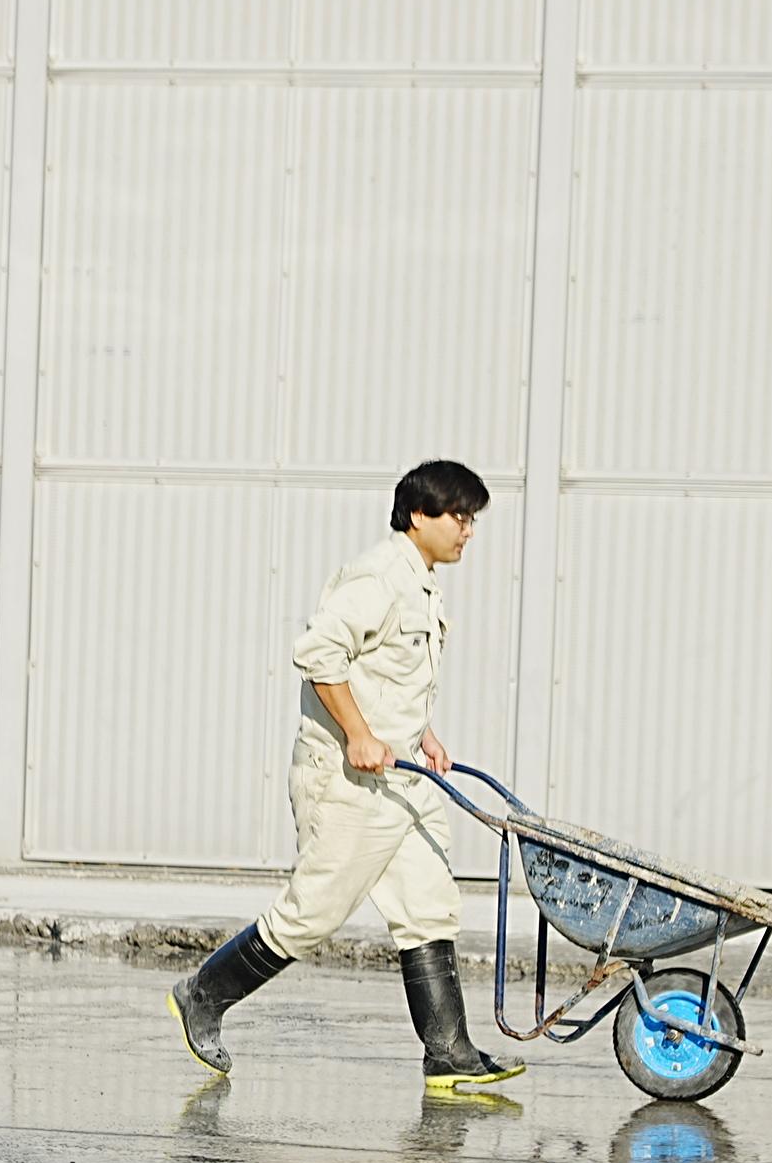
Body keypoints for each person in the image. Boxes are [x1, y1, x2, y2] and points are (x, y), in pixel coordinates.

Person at [167, 459, 524, 1092]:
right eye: (459, 517)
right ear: (420, 516)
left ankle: (448, 1054)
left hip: (403, 778)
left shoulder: (421, 584)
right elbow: (317, 655)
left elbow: (390, 676)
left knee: (431, 907)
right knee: (312, 916)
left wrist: (424, 734)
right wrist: (358, 733)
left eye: (471, 519)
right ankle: (203, 994)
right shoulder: (377, 578)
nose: (468, 530)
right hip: (348, 783)